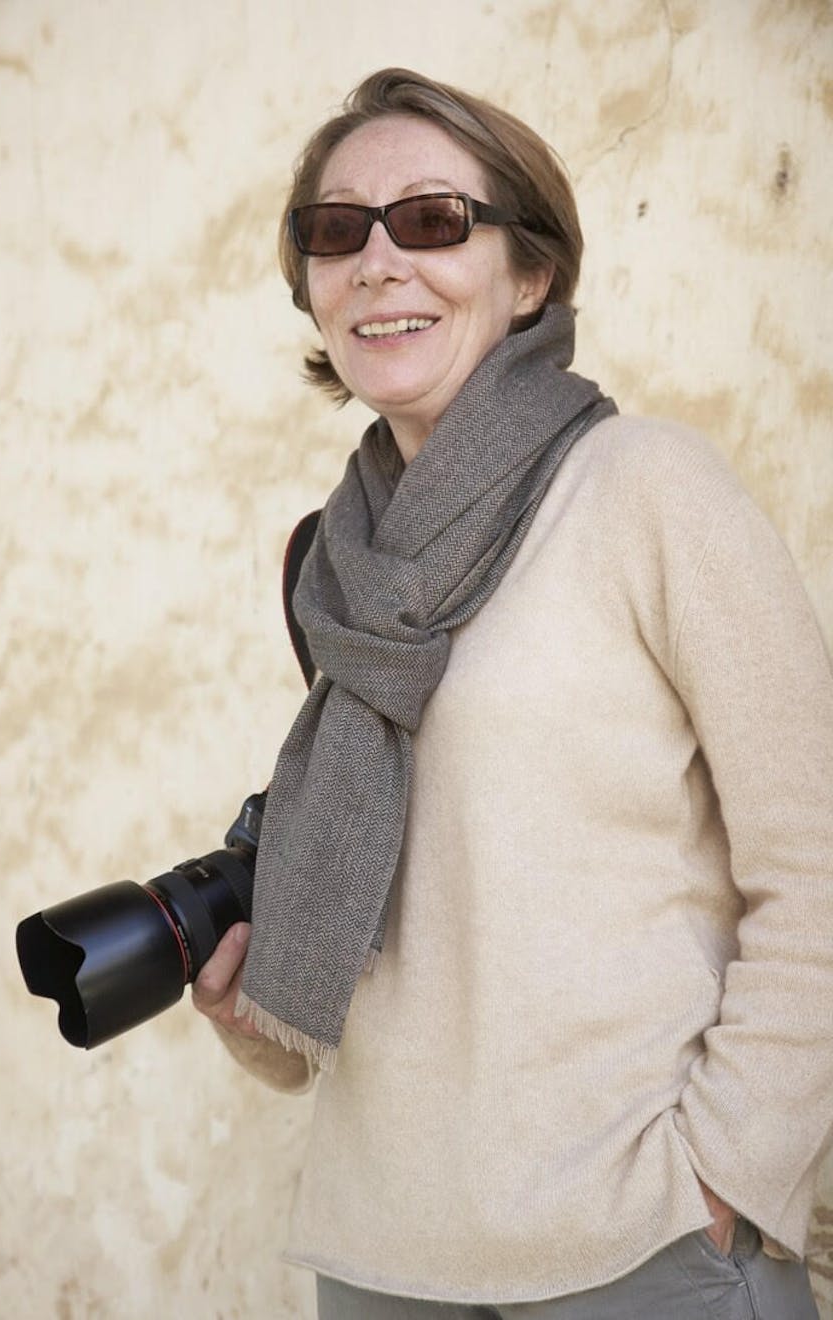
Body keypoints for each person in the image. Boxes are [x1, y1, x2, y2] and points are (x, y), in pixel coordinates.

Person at [192, 68, 833, 1319]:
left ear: (529, 273)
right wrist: (248, 1009)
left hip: (640, 1246)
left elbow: (816, 862)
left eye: (431, 220)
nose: (378, 263)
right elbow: (410, 929)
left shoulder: (645, 489)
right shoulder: (336, 563)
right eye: (337, 230)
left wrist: (724, 1176)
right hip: (381, 1253)